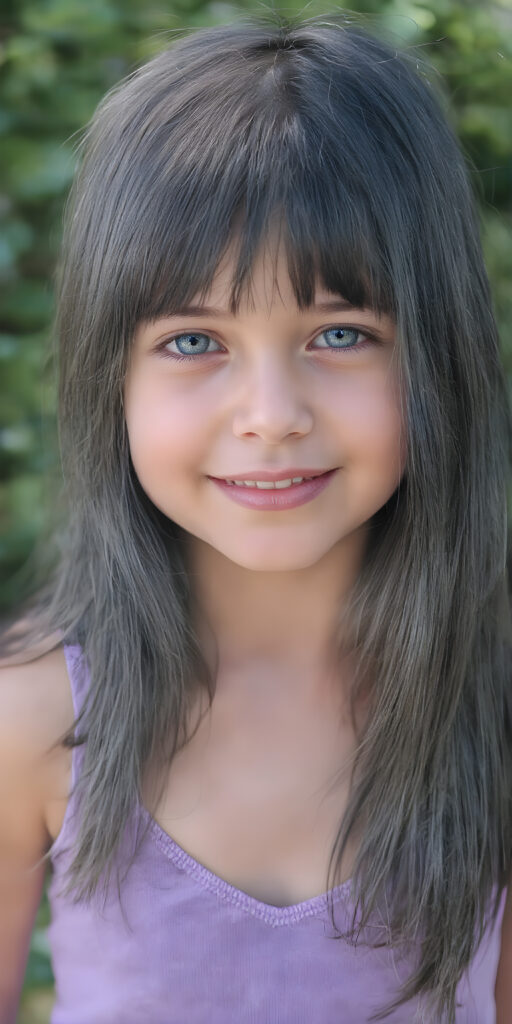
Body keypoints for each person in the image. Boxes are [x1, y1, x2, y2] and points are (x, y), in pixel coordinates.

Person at [0, 13, 511, 1024]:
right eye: (194, 340)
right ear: (110, 373)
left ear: (437, 352)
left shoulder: (490, 708)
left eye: (338, 331)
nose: (271, 416)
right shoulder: (33, 719)